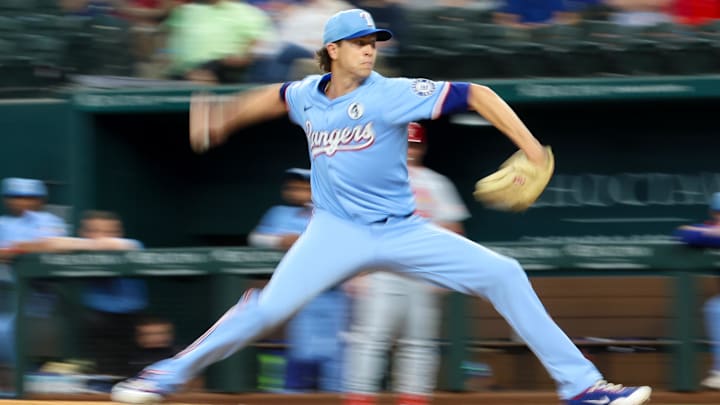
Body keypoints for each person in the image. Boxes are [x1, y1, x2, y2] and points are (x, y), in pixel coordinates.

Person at [112, 8, 653, 405]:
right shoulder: (306, 93)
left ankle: (581, 385)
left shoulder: (392, 92)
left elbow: (479, 93)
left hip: (402, 230)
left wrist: (532, 147)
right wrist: (228, 115)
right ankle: (163, 376)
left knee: (504, 273)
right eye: (357, 41)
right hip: (334, 232)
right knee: (270, 309)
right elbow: (276, 96)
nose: (370, 49)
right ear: (332, 50)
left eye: (374, 41)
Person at [343, 122, 469, 405]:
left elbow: (451, 229)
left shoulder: (436, 183)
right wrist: (355, 273)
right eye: (404, 145)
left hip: (421, 272)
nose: (409, 151)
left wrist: (444, 272)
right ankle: (359, 399)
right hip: (381, 271)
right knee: (370, 340)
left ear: (422, 148)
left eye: (414, 145)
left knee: (420, 343)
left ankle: (413, 400)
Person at [248, 168, 349, 392]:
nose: (300, 191)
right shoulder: (279, 213)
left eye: (306, 186)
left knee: (334, 359)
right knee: (297, 358)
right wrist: (279, 241)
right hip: (294, 294)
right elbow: (255, 238)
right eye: (295, 186)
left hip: (331, 295)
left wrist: (302, 240)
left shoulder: (335, 214)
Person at [11, 210, 147, 376]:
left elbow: (114, 245)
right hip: (96, 320)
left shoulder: (131, 245)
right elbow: (50, 244)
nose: (101, 236)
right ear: (84, 233)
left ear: (119, 233)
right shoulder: (80, 248)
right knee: (103, 373)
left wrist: (85, 244)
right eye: (94, 231)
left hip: (132, 322)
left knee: (136, 372)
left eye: (109, 232)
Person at [0, 177, 68, 365]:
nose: (23, 202)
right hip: (5, 291)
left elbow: (52, 246)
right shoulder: (3, 223)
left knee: (15, 332)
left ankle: (25, 379)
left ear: (40, 200)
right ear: (7, 200)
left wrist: (16, 249)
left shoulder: (49, 220)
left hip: (38, 293)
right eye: (17, 197)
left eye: (29, 197)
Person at [673, 192, 720, 389]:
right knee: (716, 308)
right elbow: (682, 233)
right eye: (718, 212)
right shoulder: (711, 228)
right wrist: (711, 233)